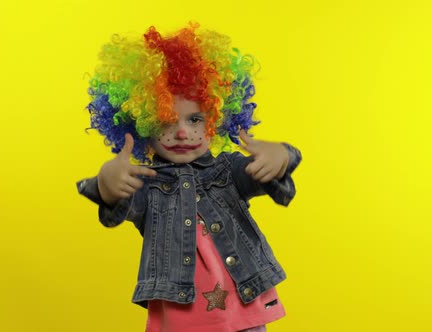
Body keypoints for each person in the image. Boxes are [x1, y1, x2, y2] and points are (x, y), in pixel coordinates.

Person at [77, 23, 302, 332]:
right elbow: (116, 198)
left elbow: (264, 174)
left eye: (195, 118)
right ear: (139, 126)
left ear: (216, 118)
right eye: (165, 122)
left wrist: (284, 155)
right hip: (180, 309)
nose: (182, 132)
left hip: (242, 298)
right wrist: (106, 180)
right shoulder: (146, 182)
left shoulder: (228, 171)